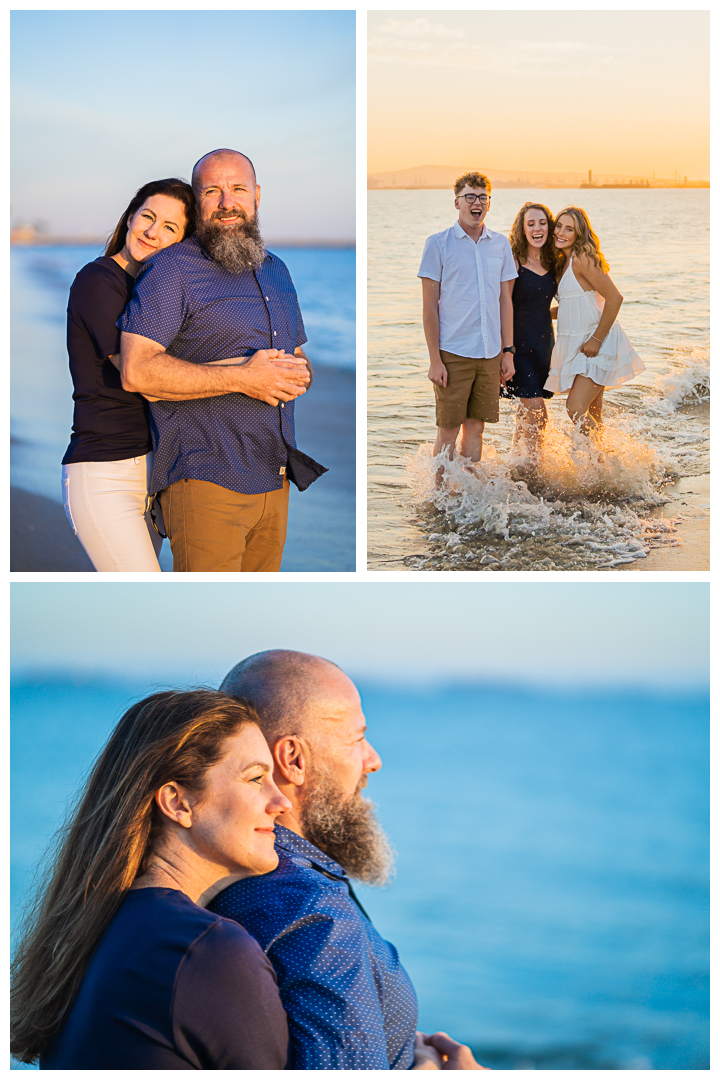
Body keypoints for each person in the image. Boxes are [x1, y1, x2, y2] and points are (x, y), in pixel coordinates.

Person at [209, 650, 487, 1070]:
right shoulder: (311, 911)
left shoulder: (232, 875)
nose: (373, 759)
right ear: (294, 760)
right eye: (357, 739)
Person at [10, 689, 291, 1069]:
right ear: (178, 803)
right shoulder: (207, 951)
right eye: (256, 778)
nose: (282, 802)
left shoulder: (93, 933)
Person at [118, 148, 323, 572]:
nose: (227, 202)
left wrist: (297, 374)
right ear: (198, 202)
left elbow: (297, 356)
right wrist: (244, 378)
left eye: (237, 189)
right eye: (212, 191)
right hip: (205, 481)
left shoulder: (277, 271)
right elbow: (137, 369)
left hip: (275, 479)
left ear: (257, 196)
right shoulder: (172, 269)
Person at [61, 179, 194, 571]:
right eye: (148, 217)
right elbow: (143, 375)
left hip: (153, 476)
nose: (153, 232)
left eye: (170, 227)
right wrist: (242, 374)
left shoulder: (155, 295)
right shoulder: (99, 280)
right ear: (131, 217)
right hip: (105, 473)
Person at [418, 171, 517, 471]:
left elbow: (505, 302)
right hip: (453, 354)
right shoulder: (438, 244)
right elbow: (429, 308)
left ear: (489, 203)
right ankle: (439, 498)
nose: (477, 203)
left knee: (476, 428)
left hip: (489, 354)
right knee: (447, 431)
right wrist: (435, 360)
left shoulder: (500, 245)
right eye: (469, 197)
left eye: (482, 197)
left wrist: (508, 352)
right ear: (457, 202)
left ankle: (468, 494)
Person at [544, 206, 645, 429]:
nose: (561, 232)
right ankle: (601, 461)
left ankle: (605, 460)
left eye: (569, 229)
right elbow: (574, 306)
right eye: (559, 226)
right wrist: (543, 314)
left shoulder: (583, 259)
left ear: (579, 234)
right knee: (593, 415)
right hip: (579, 343)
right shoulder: (564, 262)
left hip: (598, 341)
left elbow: (615, 298)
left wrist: (596, 340)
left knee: (575, 407)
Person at [501, 202, 557, 452]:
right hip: (518, 349)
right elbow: (504, 307)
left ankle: (518, 470)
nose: (537, 229)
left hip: (544, 347)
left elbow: (543, 307)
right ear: (521, 229)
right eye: (531, 223)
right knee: (537, 416)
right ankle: (533, 477)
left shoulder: (554, 262)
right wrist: (506, 352)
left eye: (542, 223)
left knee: (526, 418)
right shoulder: (513, 262)